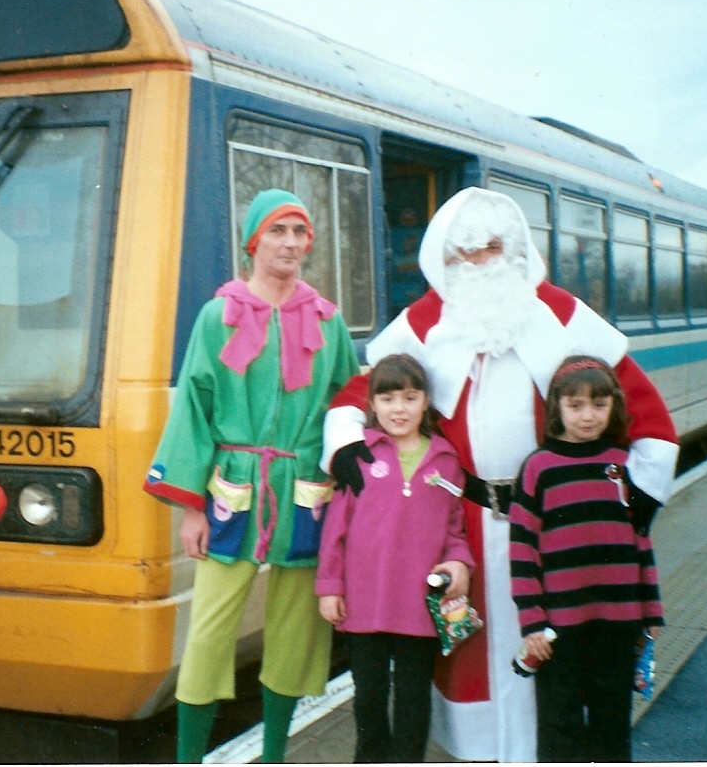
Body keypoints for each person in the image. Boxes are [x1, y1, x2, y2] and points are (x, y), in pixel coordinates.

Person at [322, 186, 678, 762]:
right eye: (467, 253)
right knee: (470, 651)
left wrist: (637, 493)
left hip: (551, 526)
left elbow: (647, 412)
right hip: (460, 521)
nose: (481, 262)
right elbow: (359, 391)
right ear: (446, 260)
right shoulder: (427, 322)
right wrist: (343, 447)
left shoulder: (560, 313)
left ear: (512, 248)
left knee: (553, 651)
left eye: (491, 248)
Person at [143, 189, 360, 763]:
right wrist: (190, 506)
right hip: (232, 491)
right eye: (278, 231)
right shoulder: (219, 316)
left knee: (295, 633)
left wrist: (347, 478)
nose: (290, 243)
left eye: (299, 233)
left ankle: (274, 754)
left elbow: (346, 401)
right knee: (210, 632)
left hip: (306, 488)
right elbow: (193, 405)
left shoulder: (328, 319)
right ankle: (189, 757)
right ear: (253, 241)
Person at [315, 353, 474, 763]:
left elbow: (455, 529)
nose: (398, 409)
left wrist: (459, 563)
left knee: (413, 698)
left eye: (409, 397)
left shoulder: (445, 460)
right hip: (364, 603)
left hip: (418, 606)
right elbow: (336, 529)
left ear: (426, 402)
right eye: (387, 399)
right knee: (368, 696)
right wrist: (330, 587)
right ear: (372, 404)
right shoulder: (358, 457)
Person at [510, 355, 665, 762]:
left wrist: (651, 614)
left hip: (619, 621)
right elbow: (523, 549)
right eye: (575, 405)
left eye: (599, 405)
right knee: (559, 727)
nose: (587, 416)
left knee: (612, 725)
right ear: (556, 408)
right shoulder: (538, 468)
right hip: (558, 630)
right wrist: (532, 623)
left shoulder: (625, 465)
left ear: (613, 406)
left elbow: (641, 541)